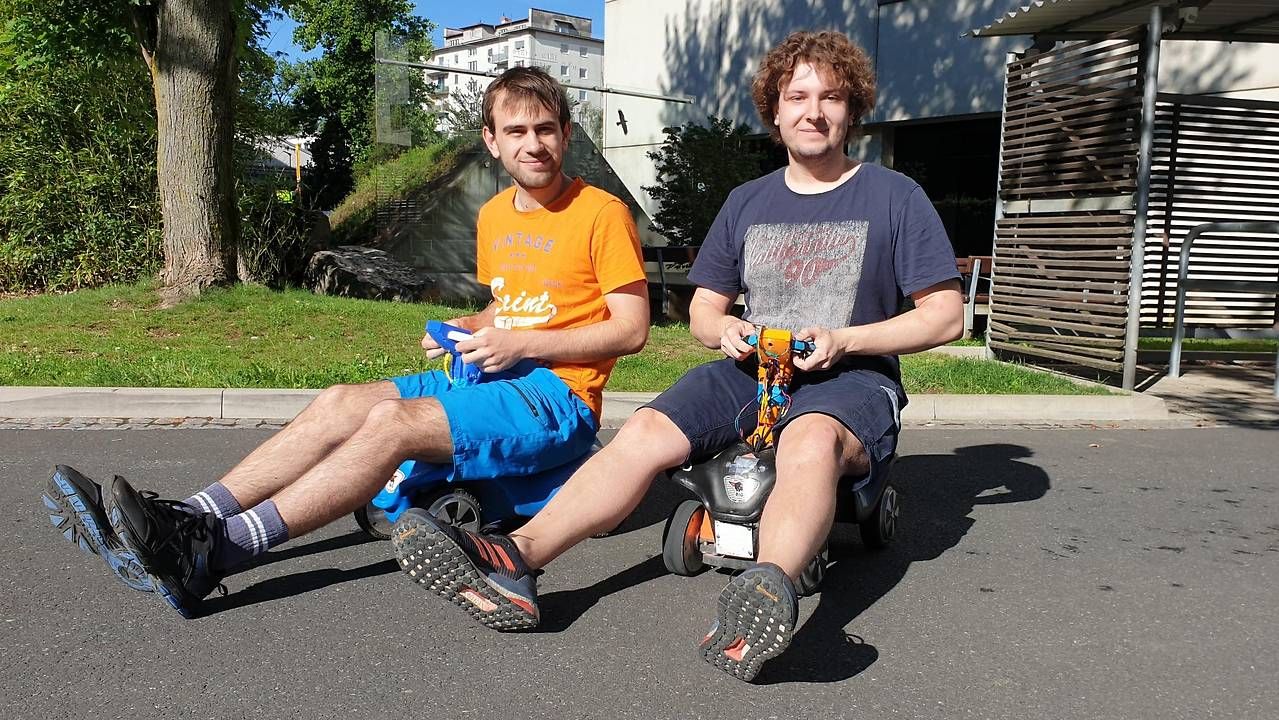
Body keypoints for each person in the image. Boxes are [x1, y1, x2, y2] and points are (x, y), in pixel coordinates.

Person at [391, 30, 963, 681]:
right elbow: (702, 309)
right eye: (796, 95)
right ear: (773, 111)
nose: (812, 110)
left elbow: (945, 314)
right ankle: (514, 562)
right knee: (643, 431)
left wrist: (847, 339)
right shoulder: (748, 202)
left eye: (829, 97)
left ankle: (765, 594)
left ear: (851, 108)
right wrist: (723, 329)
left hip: (850, 380)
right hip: (749, 369)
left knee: (808, 443)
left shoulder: (892, 197)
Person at [42, 67, 649, 618]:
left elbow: (632, 328)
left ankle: (218, 550)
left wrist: (521, 345)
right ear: (491, 141)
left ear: (567, 134)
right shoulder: (494, 216)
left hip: (555, 394)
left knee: (391, 424)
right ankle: (189, 517)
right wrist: (474, 329)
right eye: (515, 131)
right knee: (339, 401)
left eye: (545, 129)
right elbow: (508, 303)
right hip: (490, 374)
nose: (532, 144)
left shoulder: (601, 213)